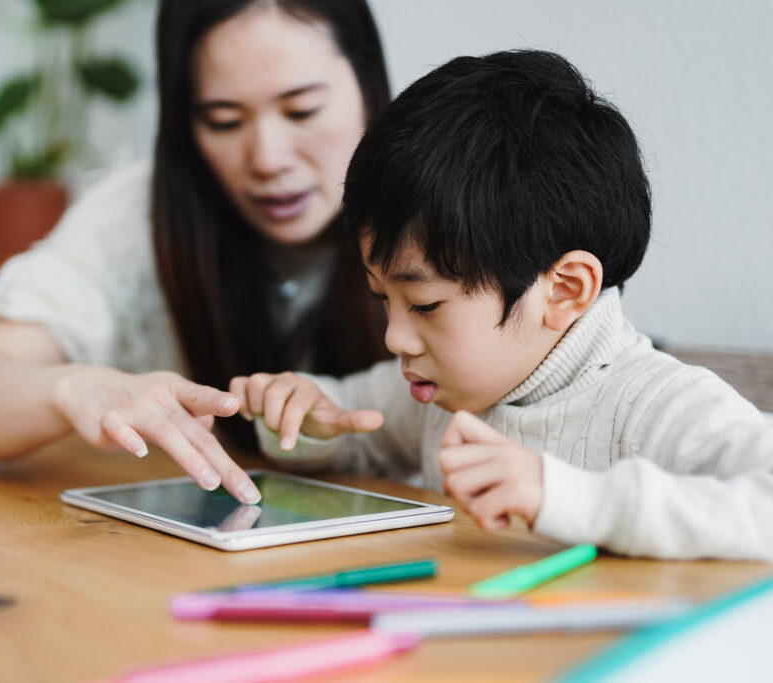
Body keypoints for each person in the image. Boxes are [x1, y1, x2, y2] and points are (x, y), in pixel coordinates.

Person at [231, 49, 773, 560]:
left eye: (423, 304)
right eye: (382, 298)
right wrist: (303, 416)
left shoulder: (653, 403)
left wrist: (566, 497)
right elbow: (349, 423)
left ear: (563, 290)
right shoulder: (436, 393)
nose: (394, 336)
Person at [0, 0, 391, 504]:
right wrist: (78, 388)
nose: (267, 158)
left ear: (368, 84)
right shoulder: (133, 217)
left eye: (302, 110)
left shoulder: (438, 200)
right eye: (223, 120)